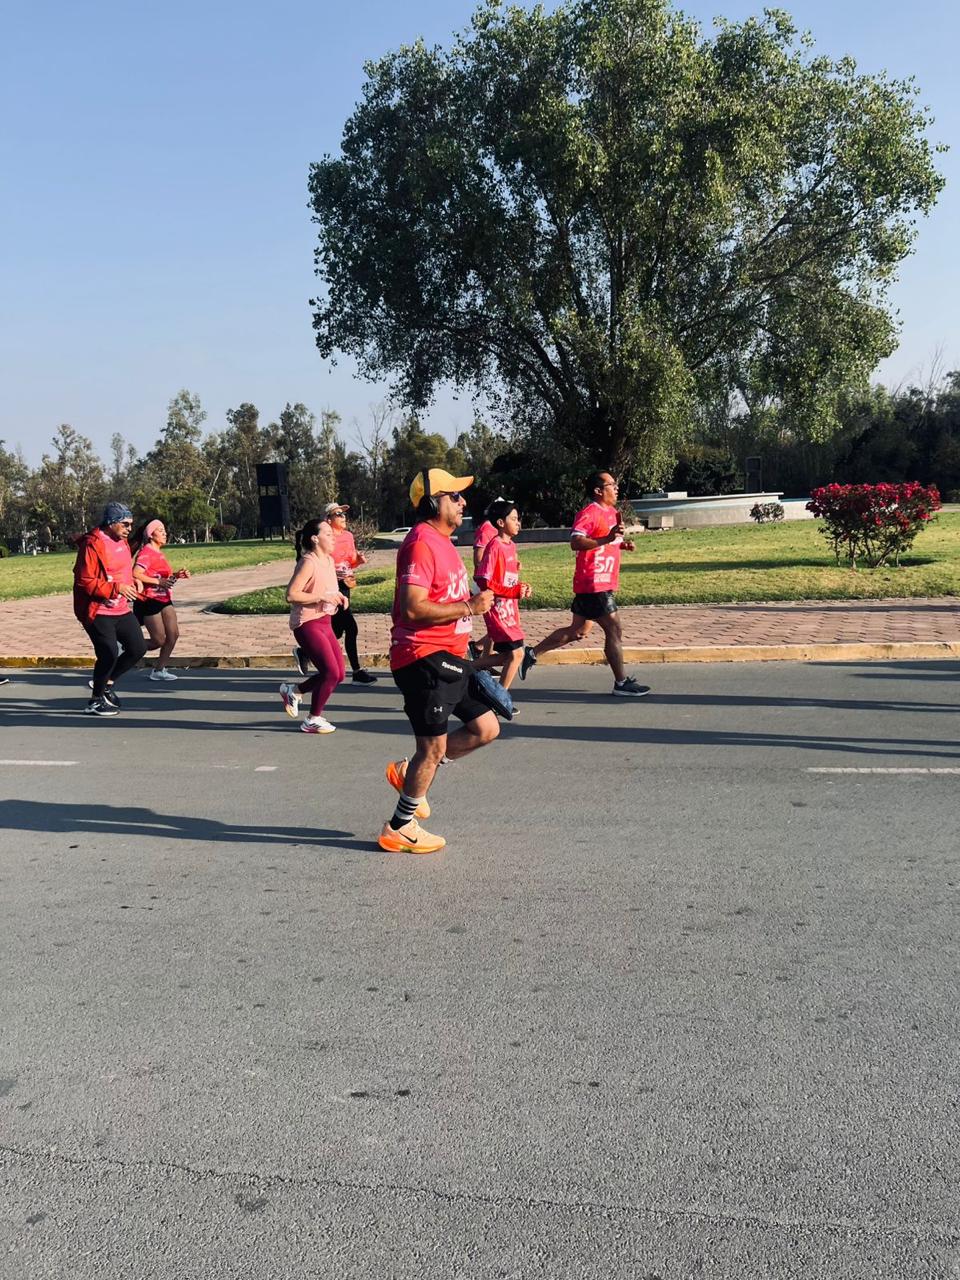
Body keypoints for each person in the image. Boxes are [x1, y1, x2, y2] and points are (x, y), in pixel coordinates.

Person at [379, 467, 498, 855]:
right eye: (455, 496)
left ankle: (407, 771)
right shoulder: (421, 543)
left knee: (485, 728)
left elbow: (448, 597)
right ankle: (400, 826)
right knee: (431, 749)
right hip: (423, 657)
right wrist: (469, 607)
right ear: (433, 502)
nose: (464, 502)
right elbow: (413, 608)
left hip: (448, 655)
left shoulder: (444, 542)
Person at [519, 471, 649, 697]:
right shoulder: (589, 513)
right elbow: (576, 542)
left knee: (578, 631)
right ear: (598, 491)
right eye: (612, 484)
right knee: (614, 628)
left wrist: (621, 545)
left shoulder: (613, 513)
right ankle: (621, 683)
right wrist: (607, 539)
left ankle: (531, 654)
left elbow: (607, 540)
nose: (616, 488)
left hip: (602, 580)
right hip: (594, 581)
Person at [73, 502, 148, 715]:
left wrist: (134, 582)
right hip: (97, 610)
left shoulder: (122, 542)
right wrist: (117, 588)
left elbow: (122, 571)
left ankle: (107, 684)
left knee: (137, 648)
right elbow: (85, 581)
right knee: (108, 653)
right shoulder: (92, 544)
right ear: (111, 522)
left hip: (120, 608)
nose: (129, 529)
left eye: (131, 524)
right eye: (125, 524)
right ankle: (95, 700)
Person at [279, 519, 347, 734]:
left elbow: (327, 589)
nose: (333, 537)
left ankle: (294, 691)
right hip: (307, 623)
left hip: (325, 621)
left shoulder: (328, 560)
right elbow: (291, 595)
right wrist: (321, 597)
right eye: (328, 534)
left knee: (339, 674)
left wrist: (340, 596)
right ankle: (312, 719)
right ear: (315, 539)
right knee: (330, 672)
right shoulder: (308, 562)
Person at [299, 500, 378, 685]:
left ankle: (305, 652)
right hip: (329, 587)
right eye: (338, 514)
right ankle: (357, 672)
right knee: (351, 628)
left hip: (344, 587)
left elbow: (350, 561)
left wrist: (358, 561)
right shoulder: (324, 538)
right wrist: (335, 573)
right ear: (328, 519)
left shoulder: (348, 536)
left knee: (336, 630)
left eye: (344, 514)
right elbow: (320, 564)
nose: (343, 517)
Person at [472, 500, 532, 693]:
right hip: (497, 610)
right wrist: (512, 592)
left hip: (510, 610)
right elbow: (483, 580)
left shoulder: (511, 546)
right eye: (513, 519)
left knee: (508, 656)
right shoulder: (495, 546)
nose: (518, 523)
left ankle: (464, 668)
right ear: (500, 522)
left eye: (518, 519)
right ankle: (500, 699)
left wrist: (522, 588)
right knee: (517, 654)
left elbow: (509, 581)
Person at [131, 518, 190, 681]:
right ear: (151, 534)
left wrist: (177, 575)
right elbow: (135, 573)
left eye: (165, 530)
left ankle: (159, 670)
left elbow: (163, 579)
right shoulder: (146, 552)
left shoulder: (158, 553)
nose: (165, 534)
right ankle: (126, 647)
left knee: (173, 635)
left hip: (163, 598)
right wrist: (158, 582)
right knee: (158, 640)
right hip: (149, 600)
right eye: (160, 530)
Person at [469, 500, 501, 661]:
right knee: (497, 622)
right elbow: (478, 558)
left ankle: (481, 652)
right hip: (486, 583)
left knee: (497, 623)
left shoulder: (497, 530)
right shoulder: (487, 529)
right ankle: (482, 655)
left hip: (497, 583)